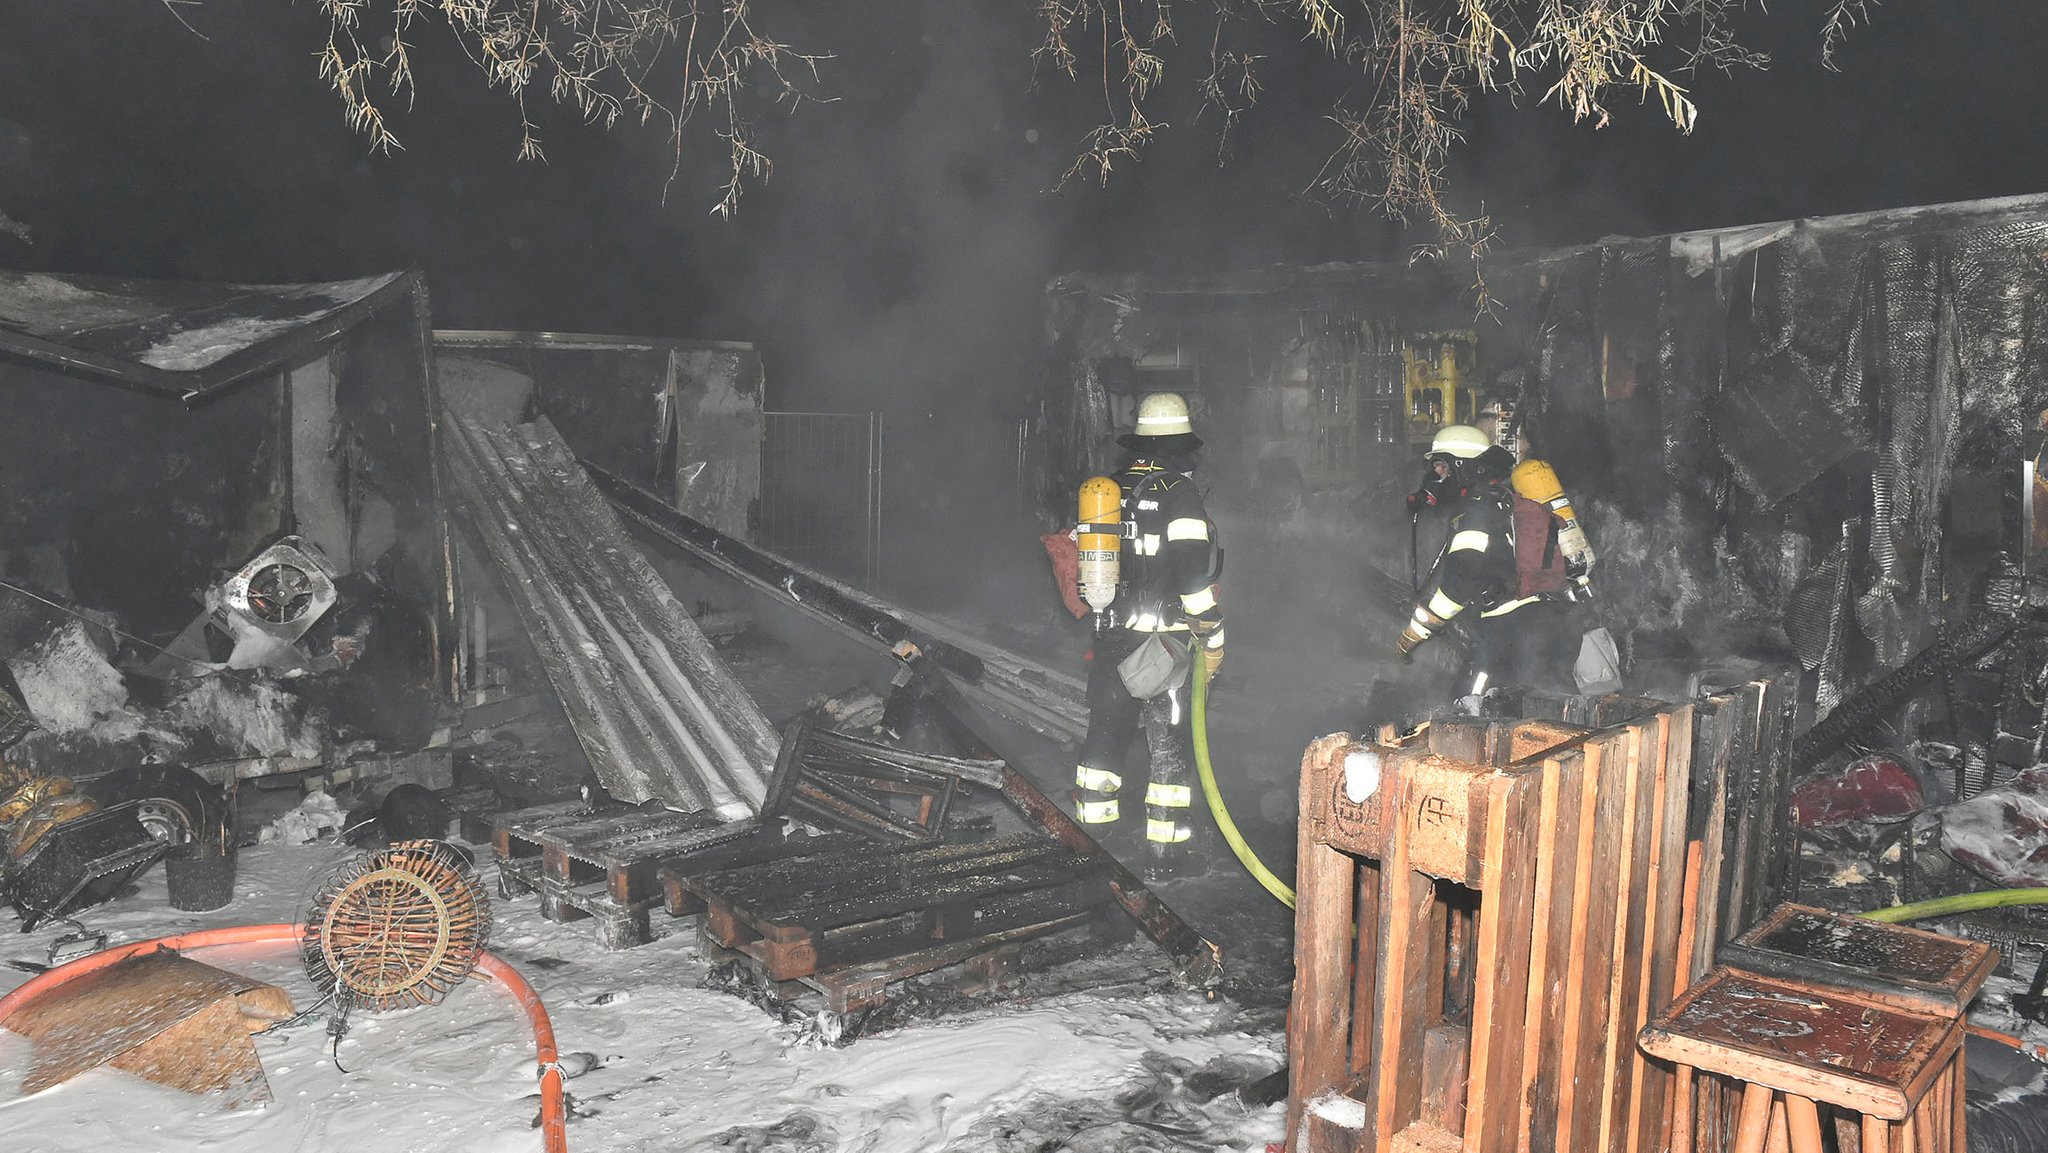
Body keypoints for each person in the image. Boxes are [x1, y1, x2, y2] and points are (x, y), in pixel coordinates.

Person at [1072, 392, 1225, 881]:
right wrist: (1213, 633)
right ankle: (1166, 856)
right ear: (1180, 447)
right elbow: (1190, 575)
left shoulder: (1108, 491)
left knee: (1104, 742)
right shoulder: (1180, 493)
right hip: (1164, 649)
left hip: (1112, 638)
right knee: (1168, 753)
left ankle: (1093, 847)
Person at [1396, 431, 1576, 700]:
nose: (1437, 478)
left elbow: (1460, 582)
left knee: (1468, 708)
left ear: (1462, 465)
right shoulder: (1501, 497)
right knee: (1554, 707)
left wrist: (1415, 632)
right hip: (1551, 622)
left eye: (1442, 467)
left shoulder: (1476, 512)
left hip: (1512, 632)